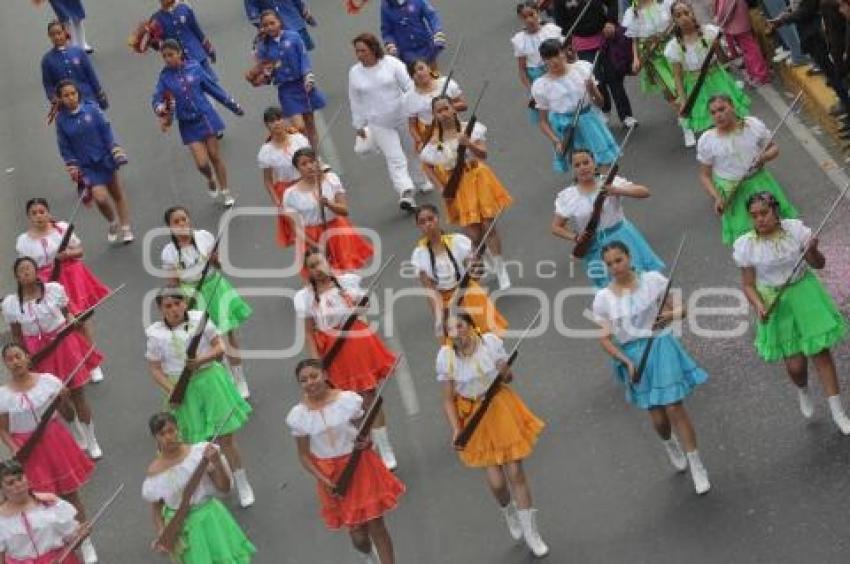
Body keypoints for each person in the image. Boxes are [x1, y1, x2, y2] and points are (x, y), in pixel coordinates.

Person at [591, 241, 711, 495]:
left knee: (674, 406)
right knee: (658, 417)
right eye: (610, 263)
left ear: (629, 257)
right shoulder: (603, 299)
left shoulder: (653, 280)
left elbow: (683, 309)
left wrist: (670, 315)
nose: (616, 267)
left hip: (661, 344)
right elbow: (604, 338)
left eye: (619, 260)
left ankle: (696, 464)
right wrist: (625, 361)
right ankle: (669, 443)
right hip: (634, 354)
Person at [732, 192, 850, 433]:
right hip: (775, 300)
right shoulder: (746, 245)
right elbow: (747, 284)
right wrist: (758, 305)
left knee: (821, 353)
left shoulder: (796, 230)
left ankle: (838, 412)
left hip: (804, 293)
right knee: (796, 366)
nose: (759, 219)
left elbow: (819, 264)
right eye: (754, 216)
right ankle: (802, 389)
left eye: (763, 213)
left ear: (775, 211)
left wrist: (811, 250)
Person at [437, 311, 548, 557]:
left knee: (515, 471)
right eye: (451, 330)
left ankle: (532, 532)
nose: (457, 333)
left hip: (499, 407)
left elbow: (508, 378)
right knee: (498, 484)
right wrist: (456, 429)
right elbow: (447, 400)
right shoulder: (446, 358)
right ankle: (508, 510)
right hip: (474, 417)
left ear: (470, 325)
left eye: (460, 326)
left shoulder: (490, 344)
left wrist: (504, 369)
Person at [286, 359, 404, 564]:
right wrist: (323, 479)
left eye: (314, 376)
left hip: (360, 466)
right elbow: (303, 455)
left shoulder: (347, 400)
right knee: (358, 534)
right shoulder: (298, 416)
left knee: (376, 524)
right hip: (332, 476)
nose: (310, 382)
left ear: (324, 375)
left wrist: (367, 441)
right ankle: (366, 555)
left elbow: (363, 429)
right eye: (303, 380)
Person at [145, 290, 255, 507]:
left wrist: (201, 359)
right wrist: (172, 390)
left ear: (185, 304)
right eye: (168, 306)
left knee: (226, 439)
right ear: (161, 310)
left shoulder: (199, 319)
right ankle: (211, 484)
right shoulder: (155, 335)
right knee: (195, 443)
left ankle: (242, 483)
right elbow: (155, 369)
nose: (174, 309)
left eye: (177, 303)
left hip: (210, 380)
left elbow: (219, 347)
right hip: (182, 387)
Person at [294, 250, 399, 470]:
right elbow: (308, 333)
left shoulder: (346, 282)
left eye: (319, 263)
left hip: (357, 342)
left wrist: (354, 298)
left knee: (370, 396)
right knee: (347, 403)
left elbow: (365, 307)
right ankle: (366, 447)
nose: (317, 269)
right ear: (308, 271)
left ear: (327, 262)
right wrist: (317, 364)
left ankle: (385, 447)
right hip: (333, 351)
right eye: (312, 266)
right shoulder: (304, 298)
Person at [0, 344, 98, 562]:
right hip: (28, 449)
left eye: (18, 356)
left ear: (27, 357)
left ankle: (84, 542)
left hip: (55, 439)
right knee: (39, 498)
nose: (15, 362)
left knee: (71, 494)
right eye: (9, 359)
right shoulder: (3, 395)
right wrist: (14, 447)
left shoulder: (48, 381)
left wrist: (63, 399)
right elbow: (3, 429)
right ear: (5, 364)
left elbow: (68, 414)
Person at [3, 258, 104, 459]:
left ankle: (92, 439)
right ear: (16, 276)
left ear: (36, 271)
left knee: (77, 394)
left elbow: (68, 314)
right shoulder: (11, 304)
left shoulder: (54, 290)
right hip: (38, 355)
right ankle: (77, 431)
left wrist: (72, 320)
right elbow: (16, 335)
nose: (25, 273)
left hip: (63, 346)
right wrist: (25, 358)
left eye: (29, 268)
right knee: (55, 399)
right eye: (21, 270)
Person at [419, 95, 514, 290]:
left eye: (446, 108)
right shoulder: (434, 143)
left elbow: (483, 154)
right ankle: (485, 259)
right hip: (458, 186)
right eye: (439, 111)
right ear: (435, 115)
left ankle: (500, 267)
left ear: (453, 109)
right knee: (474, 234)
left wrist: (468, 143)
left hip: (478, 178)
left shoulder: (469, 129)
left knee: (489, 225)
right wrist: (439, 185)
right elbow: (426, 165)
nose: (444, 113)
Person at [161, 206, 253, 398]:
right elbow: (173, 284)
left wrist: (214, 261)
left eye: (184, 219)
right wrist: (183, 304)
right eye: (176, 222)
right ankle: (226, 379)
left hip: (216, 288)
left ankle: (239, 378)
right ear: (169, 227)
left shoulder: (204, 237)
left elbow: (220, 265)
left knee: (229, 334)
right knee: (210, 340)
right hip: (191, 294)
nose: (181, 224)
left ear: (189, 220)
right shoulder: (168, 253)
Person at [143, 412, 256, 562]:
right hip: (180, 527)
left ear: (178, 429)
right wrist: (162, 532)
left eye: (171, 430)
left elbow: (225, 488)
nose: (168, 437)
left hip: (209, 519)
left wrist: (217, 462)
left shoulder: (199, 453)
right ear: (155, 437)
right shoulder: (155, 471)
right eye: (162, 433)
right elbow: (156, 508)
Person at [551, 149, 664, 288]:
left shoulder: (610, 182)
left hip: (623, 238)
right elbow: (556, 227)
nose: (583, 168)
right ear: (573, 169)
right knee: (613, 290)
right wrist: (575, 237)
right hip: (594, 246)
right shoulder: (568, 196)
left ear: (594, 163)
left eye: (586, 162)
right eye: (577, 165)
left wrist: (618, 191)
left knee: (644, 281)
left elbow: (644, 192)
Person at [152, 39, 244, 208]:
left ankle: (225, 192)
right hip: (188, 124)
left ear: (179, 53)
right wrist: (160, 109)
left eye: (170, 55)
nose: (167, 59)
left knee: (214, 155)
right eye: (164, 56)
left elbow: (212, 89)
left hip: (206, 117)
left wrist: (233, 105)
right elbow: (157, 99)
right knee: (201, 163)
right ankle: (210, 178)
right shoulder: (164, 77)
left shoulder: (194, 68)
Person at [696, 95, 798, 245]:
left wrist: (763, 157)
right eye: (713, 112)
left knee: (776, 229)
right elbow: (704, 175)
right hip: (733, 192)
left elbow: (774, 149)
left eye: (722, 109)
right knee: (749, 239)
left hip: (760, 184)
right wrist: (717, 197)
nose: (718, 115)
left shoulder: (752, 125)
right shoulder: (707, 140)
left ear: (733, 107)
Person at [348, 32, 432, 211]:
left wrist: (417, 107)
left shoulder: (391, 64)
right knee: (395, 158)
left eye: (363, 50)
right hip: (378, 123)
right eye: (357, 51)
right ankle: (406, 192)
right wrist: (359, 124)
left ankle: (420, 180)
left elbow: (409, 86)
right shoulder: (354, 73)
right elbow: (355, 100)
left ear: (372, 49)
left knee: (412, 151)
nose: (359, 55)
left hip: (403, 116)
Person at [16, 197, 110, 348]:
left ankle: (90, 352)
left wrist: (67, 254)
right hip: (47, 283)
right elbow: (24, 267)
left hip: (70, 276)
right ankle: (80, 354)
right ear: (29, 217)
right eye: (34, 213)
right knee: (64, 322)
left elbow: (79, 250)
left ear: (48, 213)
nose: (38, 216)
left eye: (42, 212)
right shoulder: (23, 241)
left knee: (80, 317)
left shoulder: (61, 229)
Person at [54, 80, 134, 244]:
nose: (71, 98)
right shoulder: (61, 120)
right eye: (66, 95)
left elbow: (106, 130)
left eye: (73, 93)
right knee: (101, 198)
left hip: (105, 158)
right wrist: (72, 165)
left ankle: (126, 228)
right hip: (87, 166)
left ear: (78, 93)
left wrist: (115, 149)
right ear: (60, 98)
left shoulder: (91, 109)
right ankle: (112, 221)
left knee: (117, 194)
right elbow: (64, 145)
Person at [412, 204, 508, 339]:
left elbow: (477, 274)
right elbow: (431, 291)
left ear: (437, 218)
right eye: (422, 222)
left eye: (430, 219)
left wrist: (476, 264)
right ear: (418, 226)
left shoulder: (458, 241)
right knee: (457, 344)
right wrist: (439, 319)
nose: (428, 224)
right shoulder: (419, 255)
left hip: (467, 290)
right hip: (446, 300)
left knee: (489, 336)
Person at [665, 1, 750, 141]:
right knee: (713, 127)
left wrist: (717, 48)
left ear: (692, 13)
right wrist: (684, 101)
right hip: (696, 88)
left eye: (686, 13)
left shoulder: (709, 32)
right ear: (674, 20)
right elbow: (678, 77)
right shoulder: (673, 47)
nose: (684, 18)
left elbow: (724, 61)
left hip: (718, 81)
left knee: (733, 119)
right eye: (678, 15)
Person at [532, 39, 619, 174]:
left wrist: (592, 90)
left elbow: (600, 103)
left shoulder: (582, 68)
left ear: (564, 53)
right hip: (567, 131)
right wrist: (557, 142)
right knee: (583, 171)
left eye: (557, 55)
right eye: (548, 58)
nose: (554, 61)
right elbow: (542, 122)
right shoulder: (541, 85)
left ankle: (607, 192)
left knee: (605, 166)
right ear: (543, 60)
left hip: (590, 123)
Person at [283, 148, 374, 273]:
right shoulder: (290, 194)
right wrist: (316, 246)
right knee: (323, 277)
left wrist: (329, 204)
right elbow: (296, 228)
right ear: (297, 169)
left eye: (312, 161)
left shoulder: (331, 179)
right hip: (311, 237)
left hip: (337, 231)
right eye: (304, 164)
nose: (309, 166)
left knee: (347, 273)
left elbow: (344, 211)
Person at [552, 0, 637, 127]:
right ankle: (605, 110)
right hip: (582, 44)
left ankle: (626, 115)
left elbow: (612, 3)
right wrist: (568, 43)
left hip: (605, 38)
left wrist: (610, 21)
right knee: (597, 79)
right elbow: (561, 21)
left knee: (614, 78)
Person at [252, 10, 326, 148]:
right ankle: (304, 151)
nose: (270, 27)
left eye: (272, 23)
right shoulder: (263, 47)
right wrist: (265, 76)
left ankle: (315, 155)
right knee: (299, 127)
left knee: (310, 123)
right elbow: (265, 69)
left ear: (279, 22)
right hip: (286, 89)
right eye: (266, 25)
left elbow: (303, 57)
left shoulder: (293, 37)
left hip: (302, 84)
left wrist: (308, 75)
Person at [768, 0, 850, 123]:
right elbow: (797, 7)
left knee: (835, 75)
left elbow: (806, 11)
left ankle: (846, 104)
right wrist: (784, 15)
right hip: (816, 36)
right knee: (831, 75)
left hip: (818, 37)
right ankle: (845, 105)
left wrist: (783, 19)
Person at [0, 459, 92, 564]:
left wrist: (80, 535)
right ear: (1, 489)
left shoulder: (49, 503)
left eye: (20, 479)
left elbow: (73, 541)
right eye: (10, 483)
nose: (18, 485)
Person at [257, 106, 312, 250]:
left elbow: (313, 163)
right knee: (300, 232)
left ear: (285, 120)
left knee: (315, 221)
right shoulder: (265, 152)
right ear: (267, 125)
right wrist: (277, 202)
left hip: (307, 185)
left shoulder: (299, 140)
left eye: (279, 119)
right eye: (272, 121)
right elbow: (268, 181)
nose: (276, 123)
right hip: (287, 193)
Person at [512, 2, 564, 124]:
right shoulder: (520, 40)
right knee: (550, 116)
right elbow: (522, 69)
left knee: (564, 107)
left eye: (531, 14)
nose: (529, 20)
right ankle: (558, 141)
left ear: (538, 13)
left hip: (557, 71)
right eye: (525, 17)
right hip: (538, 77)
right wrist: (531, 90)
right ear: (521, 19)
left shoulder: (551, 30)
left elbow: (564, 53)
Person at [623, 0, 678, 113]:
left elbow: (676, 22)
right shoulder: (632, 12)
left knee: (680, 82)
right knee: (668, 87)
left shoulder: (664, 3)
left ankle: (687, 113)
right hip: (652, 55)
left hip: (670, 49)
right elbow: (635, 39)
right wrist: (636, 59)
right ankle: (684, 121)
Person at [41, 20, 106, 110]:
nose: (56, 37)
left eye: (59, 33)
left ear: (65, 33)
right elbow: (48, 84)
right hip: (67, 106)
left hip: (88, 100)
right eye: (53, 35)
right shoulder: (47, 60)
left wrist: (100, 97)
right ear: (49, 37)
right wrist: (54, 99)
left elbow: (91, 76)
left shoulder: (79, 52)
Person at [403, 59, 466, 151]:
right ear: (412, 77)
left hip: (454, 128)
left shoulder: (447, 83)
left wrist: (445, 109)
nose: (419, 73)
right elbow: (412, 126)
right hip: (431, 135)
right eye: (414, 72)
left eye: (421, 68)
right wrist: (420, 141)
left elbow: (464, 105)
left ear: (429, 68)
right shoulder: (409, 98)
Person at [148, 0, 219, 81]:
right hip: (181, 63)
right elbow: (160, 45)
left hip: (198, 56)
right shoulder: (156, 19)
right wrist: (151, 41)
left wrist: (209, 48)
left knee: (212, 84)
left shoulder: (184, 8)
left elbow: (197, 30)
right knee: (193, 89)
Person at [715, 0, 770, 86]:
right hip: (740, 19)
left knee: (750, 50)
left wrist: (718, 20)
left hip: (736, 22)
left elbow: (724, 8)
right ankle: (755, 74)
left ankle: (760, 75)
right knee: (748, 49)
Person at [380, 0, 446, 66]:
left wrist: (437, 32)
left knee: (434, 75)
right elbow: (387, 31)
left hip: (426, 49)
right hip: (407, 56)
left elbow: (432, 16)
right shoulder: (385, 6)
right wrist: (390, 44)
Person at [244, 0, 317, 50]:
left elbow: (297, 2)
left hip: (295, 23)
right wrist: (262, 26)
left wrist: (306, 14)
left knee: (301, 55)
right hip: (273, 31)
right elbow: (252, 12)